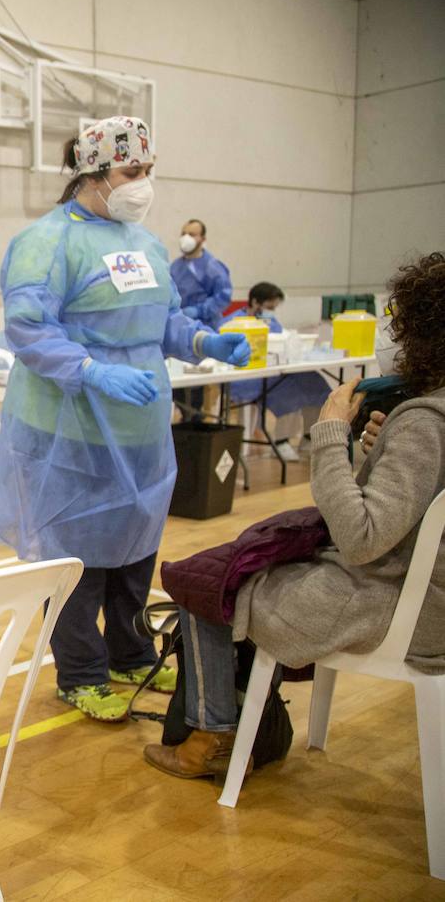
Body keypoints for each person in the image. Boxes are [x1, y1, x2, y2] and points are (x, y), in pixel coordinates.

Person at [0, 116, 250, 723]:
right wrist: (91, 370)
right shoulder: (47, 241)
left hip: (139, 429)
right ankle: (81, 673)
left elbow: (165, 320)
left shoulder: (146, 245)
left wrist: (204, 342)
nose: (143, 183)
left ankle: (131, 653)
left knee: (136, 547)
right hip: (71, 429)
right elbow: (29, 328)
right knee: (77, 560)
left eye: (148, 170)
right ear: (95, 172)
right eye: (133, 170)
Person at [146, 252, 445, 778]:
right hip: (417, 595)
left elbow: (360, 539)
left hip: (399, 607)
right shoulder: (426, 419)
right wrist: (381, 450)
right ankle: (245, 725)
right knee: (247, 565)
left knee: (205, 582)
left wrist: (330, 431)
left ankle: (211, 735)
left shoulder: (425, 422)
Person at [223, 282, 330, 463]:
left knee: (313, 381)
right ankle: (281, 441)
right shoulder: (233, 322)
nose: (271, 312)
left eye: (274, 308)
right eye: (269, 307)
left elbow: (282, 340)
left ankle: (309, 436)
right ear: (255, 302)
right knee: (288, 389)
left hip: (271, 372)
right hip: (245, 377)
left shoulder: (270, 322)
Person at [170, 218, 233, 331]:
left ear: (203, 239)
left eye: (191, 234)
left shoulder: (212, 267)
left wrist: (199, 311)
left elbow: (223, 297)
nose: (186, 238)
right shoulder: (175, 267)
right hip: (182, 328)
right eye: (183, 234)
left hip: (207, 328)